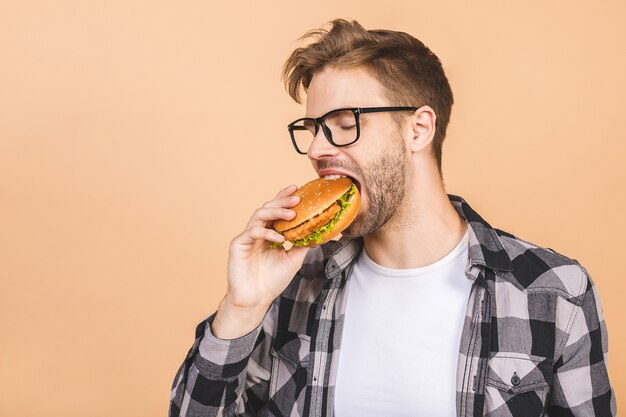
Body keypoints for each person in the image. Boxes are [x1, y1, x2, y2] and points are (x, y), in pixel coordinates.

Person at [168, 19, 616, 417]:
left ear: (419, 128)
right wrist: (241, 308)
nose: (319, 150)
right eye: (312, 131)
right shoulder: (291, 284)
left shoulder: (555, 292)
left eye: (344, 124)